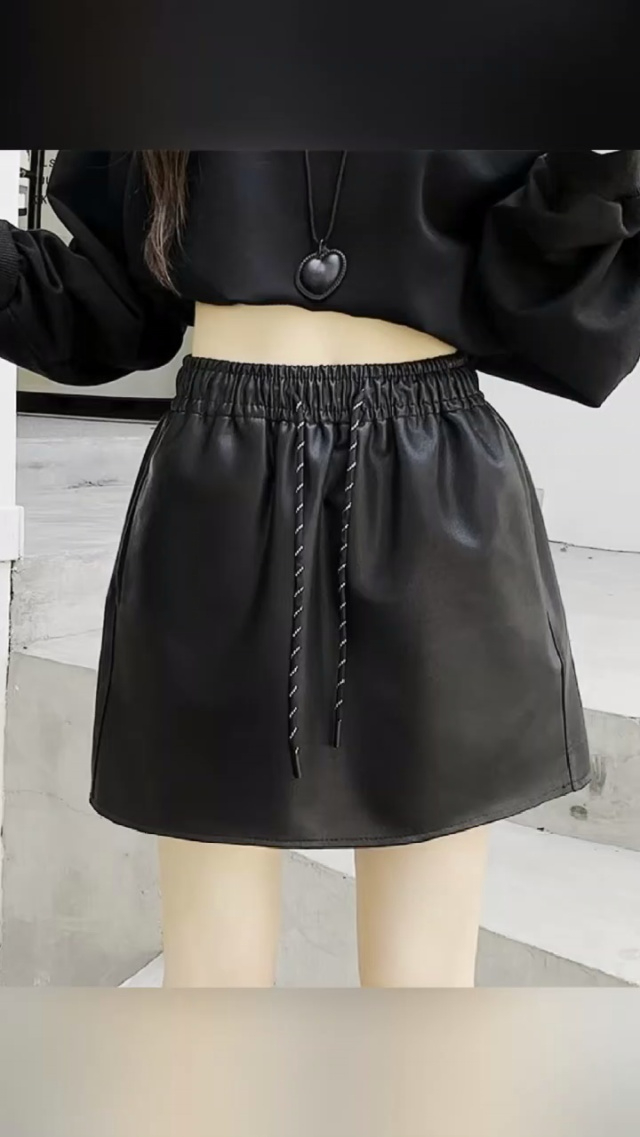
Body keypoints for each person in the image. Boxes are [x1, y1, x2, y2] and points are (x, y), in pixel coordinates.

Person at [1, 149, 638, 988]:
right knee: (210, 993)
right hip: (218, 494)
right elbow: (110, 305)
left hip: (434, 494)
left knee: (422, 1000)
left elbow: (555, 311)